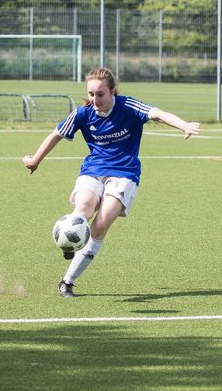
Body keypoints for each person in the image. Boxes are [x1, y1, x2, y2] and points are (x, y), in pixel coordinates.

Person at [23, 67, 201, 298]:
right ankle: (71, 241)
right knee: (82, 210)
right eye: (91, 94)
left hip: (124, 174)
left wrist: (184, 125)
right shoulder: (82, 114)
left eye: (100, 94)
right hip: (93, 170)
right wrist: (35, 161)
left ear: (112, 92)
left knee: (100, 225)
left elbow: (158, 113)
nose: (94, 99)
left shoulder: (128, 106)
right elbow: (56, 135)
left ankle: (67, 281)